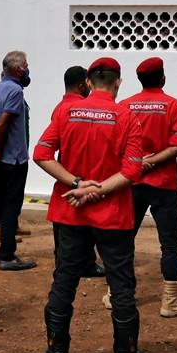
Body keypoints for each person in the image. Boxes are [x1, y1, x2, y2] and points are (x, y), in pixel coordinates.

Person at [33, 57, 147, 353]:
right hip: (113, 215)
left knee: (65, 279)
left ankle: (56, 351)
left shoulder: (65, 111)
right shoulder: (126, 117)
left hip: (70, 211)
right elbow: (132, 171)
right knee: (121, 283)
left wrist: (77, 184)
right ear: (118, 82)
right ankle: (126, 351)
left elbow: (42, 154)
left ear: (87, 82)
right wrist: (97, 190)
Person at [119, 57, 177, 317]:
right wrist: (151, 162)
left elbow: (117, 146)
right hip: (163, 184)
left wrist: (138, 163)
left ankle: (116, 293)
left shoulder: (124, 106)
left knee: (124, 239)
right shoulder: (174, 105)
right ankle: (169, 302)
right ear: (162, 78)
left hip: (131, 181)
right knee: (170, 244)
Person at [0, 51, 36, 271]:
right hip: (13, 160)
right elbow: (2, 125)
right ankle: (8, 256)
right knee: (11, 206)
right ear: (19, 69)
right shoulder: (15, 91)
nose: (28, 69)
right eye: (26, 65)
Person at [50, 66, 105, 279]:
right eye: (89, 84)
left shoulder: (60, 108)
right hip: (81, 177)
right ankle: (82, 265)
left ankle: (68, 265)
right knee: (82, 227)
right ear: (83, 85)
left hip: (66, 176)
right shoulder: (80, 108)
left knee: (65, 228)